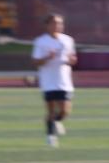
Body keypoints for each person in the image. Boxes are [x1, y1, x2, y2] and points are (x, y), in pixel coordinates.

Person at [31, 14, 77, 147]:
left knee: (65, 111)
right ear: (47, 25)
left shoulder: (68, 40)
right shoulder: (40, 41)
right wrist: (47, 57)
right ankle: (50, 136)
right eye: (55, 23)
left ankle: (57, 121)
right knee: (50, 111)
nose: (58, 26)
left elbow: (72, 59)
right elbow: (35, 62)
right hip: (48, 81)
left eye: (60, 23)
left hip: (64, 80)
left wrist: (72, 61)